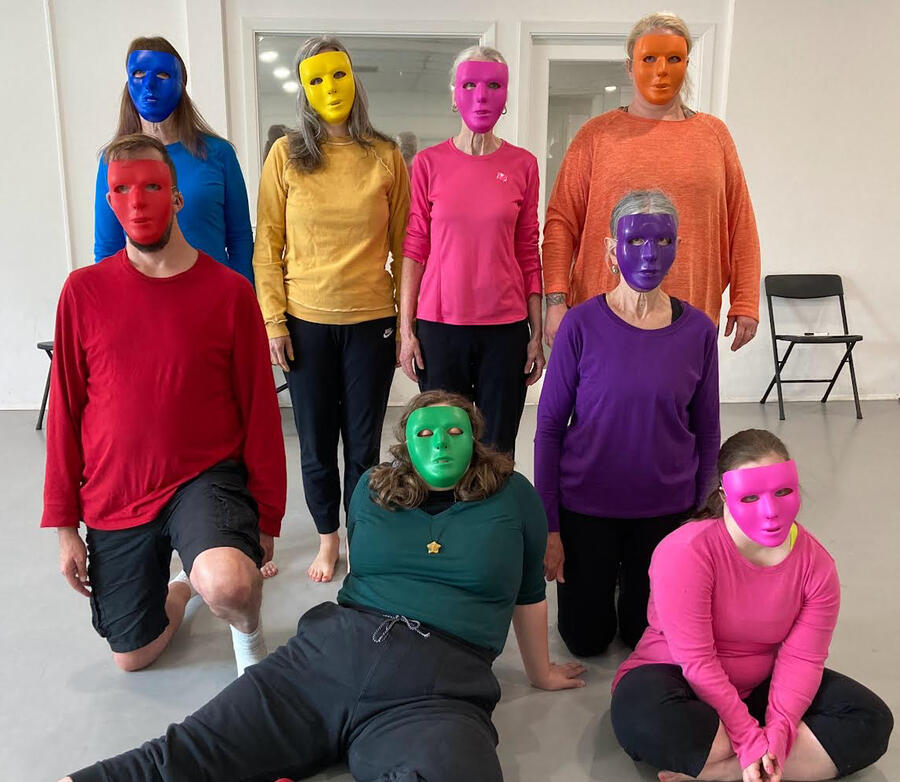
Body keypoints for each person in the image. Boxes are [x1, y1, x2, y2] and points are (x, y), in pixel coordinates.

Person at [58, 391, 586, 782]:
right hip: (329, 655)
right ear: (405, 443)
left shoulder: (514, 495)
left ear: (475, 437)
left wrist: (539, 672)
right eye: (425, 433)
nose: (441, 444)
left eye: (454, 432)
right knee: (180, 757)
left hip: (439, 687)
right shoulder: (371, 489)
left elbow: (527, 592)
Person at [44, 134, 286, 677]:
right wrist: (64, 526)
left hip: (204, 478)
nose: (137, 202)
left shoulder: (228, 292)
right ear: (110, 201)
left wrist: (267, 515)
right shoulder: (82, 293)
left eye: (152, 187)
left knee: (230, 583)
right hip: (117, 491)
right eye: (123, 190)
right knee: (133, 655)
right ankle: (181, 588)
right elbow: (65, 412)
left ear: (176, 199)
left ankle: (249, 642)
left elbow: (260, 412)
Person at [610, 429, 894, 782]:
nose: (771, 512)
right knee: (650, 721)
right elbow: (696, 659)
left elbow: (802, 659)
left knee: (871, 721)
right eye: (750, 498)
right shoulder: (685, 553)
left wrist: (777, 733)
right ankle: (757, 757)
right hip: (675, 675)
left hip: (761, 684)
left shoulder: (817, 566)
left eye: (783, 492)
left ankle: (726, 772)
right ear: (724, 496)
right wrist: (747, 737)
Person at [253, 35, 410, 583]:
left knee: (363, 444)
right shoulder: (285, 156)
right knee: (318, 443)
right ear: (304, 89)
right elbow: (266, 244)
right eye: (316, 80)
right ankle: (327, 539)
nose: (329, 88)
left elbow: (402, 248)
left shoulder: (386, 156)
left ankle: (362, 531)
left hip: (370, 323)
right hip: (306, 322)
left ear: (354, 80)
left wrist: (402, 323)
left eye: (337, 76)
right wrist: (273, 320)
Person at [536, 189, 719, 656]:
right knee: (585, 640)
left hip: (665, 510)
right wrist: (550, 527)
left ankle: (629, 580)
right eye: (636, 241)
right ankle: (608, 578)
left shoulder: (698, 331)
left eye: (663, 241)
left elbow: (708, 428)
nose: (650, 255)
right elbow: (551, 429)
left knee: (644, 637)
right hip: (588, 507)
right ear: (611, 249)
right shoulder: (579, 325)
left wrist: (700, 518)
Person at [542, 12, 760, 352]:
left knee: (684, 406)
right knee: (601, 405)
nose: (662, 70)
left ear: (687, 63)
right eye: (649, 59)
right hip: (605, 315)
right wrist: (555, 300)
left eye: (674, 59)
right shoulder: (596, 135)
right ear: (630, 67)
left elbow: (741, 223)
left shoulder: (714, 135)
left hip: (691, 314)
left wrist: (745, 300)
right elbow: (561, 223)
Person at [399, 45, 544, 455]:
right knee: (444, 443)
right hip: (441, 327)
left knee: (498, 445)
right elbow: (415, 248)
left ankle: (493, 519)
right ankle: (447, 518)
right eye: (470, 85)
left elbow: (527, 250)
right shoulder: (428, 163)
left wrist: (536, 336)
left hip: (505, 329)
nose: (481, 96)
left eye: (494, 85)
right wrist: (407, 331)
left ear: (505, 96)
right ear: (454, 93)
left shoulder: (523, 165)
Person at [94, 36, 255, 285]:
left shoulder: (218, 154)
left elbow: (240, 240)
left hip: (212, 299)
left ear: (181, 83)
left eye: (162, 76)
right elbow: (107, 250)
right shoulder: (112, 162)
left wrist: (244, 302)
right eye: (138, 73)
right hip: (144, 304)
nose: (149, 86)